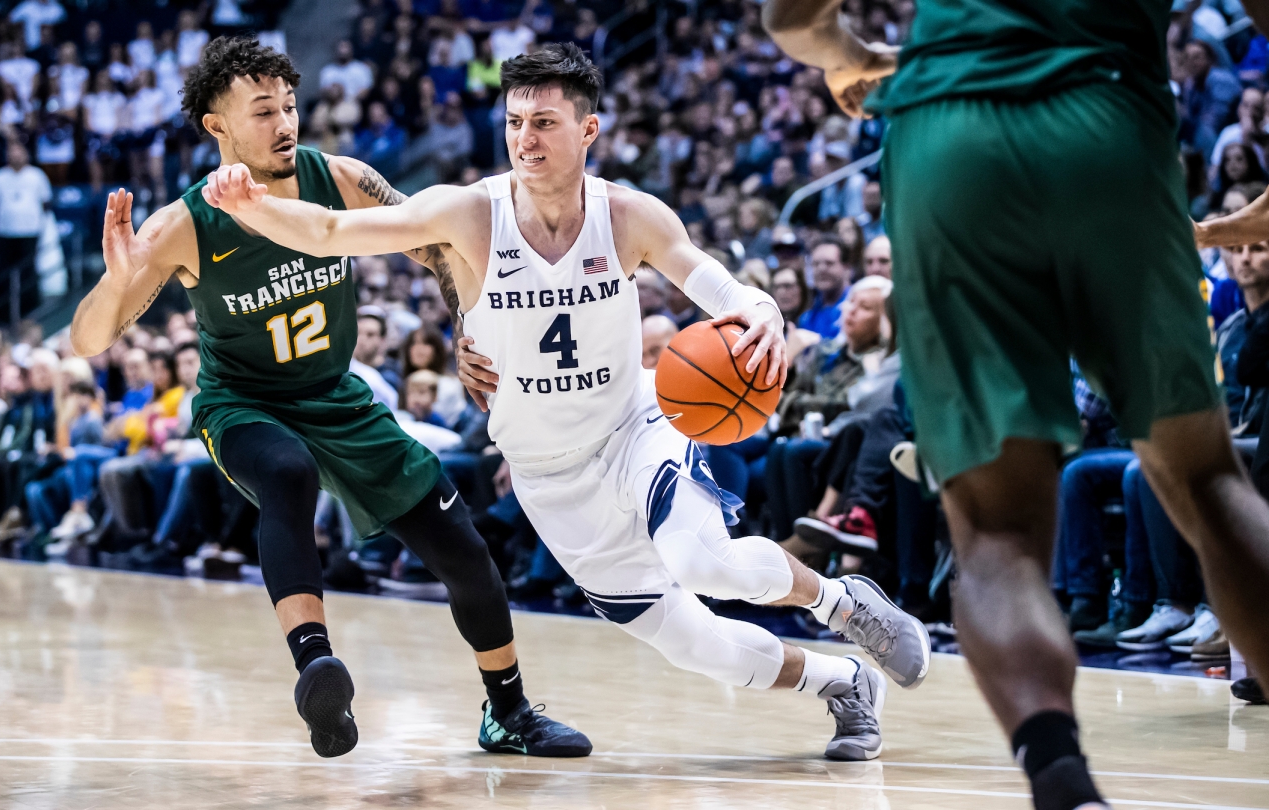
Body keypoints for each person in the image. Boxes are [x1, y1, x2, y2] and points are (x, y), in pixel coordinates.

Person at [201, 42, 932, 762]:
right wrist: (252, 206)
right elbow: (333, 231)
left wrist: (760, 308)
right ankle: (845, 683)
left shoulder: (627, 214)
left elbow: (711, 281)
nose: (526, 138)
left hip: (634, 428)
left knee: (706, 560)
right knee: (695, 646)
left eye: (545, 122)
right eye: (516, 121)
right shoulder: (470, 215)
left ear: (588, 130)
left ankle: (842, 604)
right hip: (547, 474)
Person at [764, 0, 1269, 807]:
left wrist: (850, 52)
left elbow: (792, 17)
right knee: (1208, 480)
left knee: (995, 531)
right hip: (1108, 117)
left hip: (949, 134)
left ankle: (1062, 780)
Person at [67, 36, 588, 760]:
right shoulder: (184, 224)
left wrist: (468, 325)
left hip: (336, 396)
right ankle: (318, 671)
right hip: (243, 404)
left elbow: (440, 246)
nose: (285, 123)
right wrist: (117, 281)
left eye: (289, 105)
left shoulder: (337, 177)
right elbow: (90, 340)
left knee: (463, 551)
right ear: (217, 126)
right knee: (286, 472)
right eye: (262, 111)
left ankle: (507, 713)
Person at [0, 141, 51, 324]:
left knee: (28, 273)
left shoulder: (37, 176)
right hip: (4, 232)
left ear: (26, 154)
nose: (15, 155)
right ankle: (6, 315)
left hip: (29, 231)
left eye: (19, 151)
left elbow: (46, 202)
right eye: (12, 152)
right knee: (5, 275)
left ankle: (31, 314)